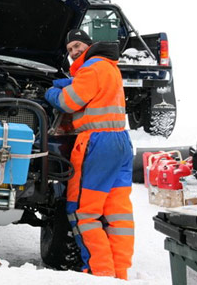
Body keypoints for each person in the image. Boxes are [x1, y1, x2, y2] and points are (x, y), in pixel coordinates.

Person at [45, 29, 134, 280]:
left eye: (77, 46)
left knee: (84, 210)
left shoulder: (92, 67)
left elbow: (68, 103)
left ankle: (99, 271)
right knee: (118, 213)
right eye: (70, 49)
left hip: (97, 142)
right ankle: (119, 273)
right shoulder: (108, 66)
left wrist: (51, 93)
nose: (74, 52)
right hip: (120, 141)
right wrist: (71, 82)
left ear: (89, 44)